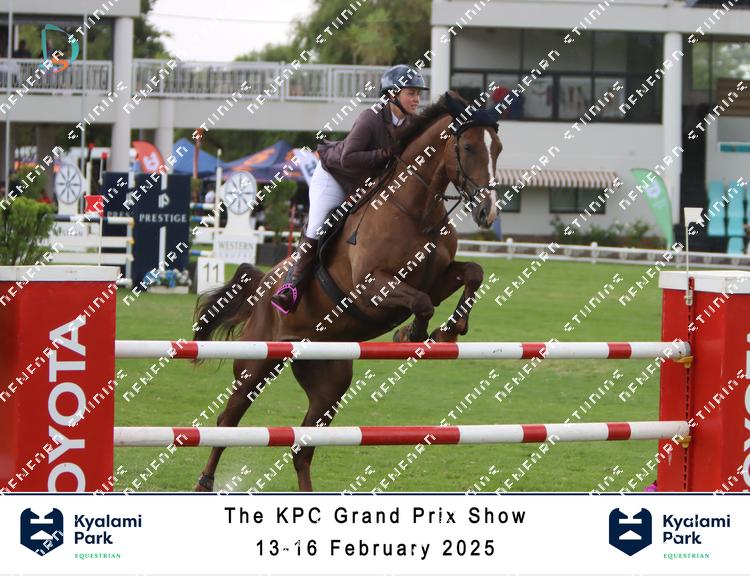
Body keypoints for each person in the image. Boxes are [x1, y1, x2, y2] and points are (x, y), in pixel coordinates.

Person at [270, 64, 428, 314]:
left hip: (363, 184)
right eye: (411, 93)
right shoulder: (370, 118)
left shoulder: (411, 123)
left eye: (418, 93)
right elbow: (348, 158)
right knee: (317, 227)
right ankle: (290, 290)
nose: (417, 99)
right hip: (333, 177)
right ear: (392, 94)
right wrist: (385, 154)